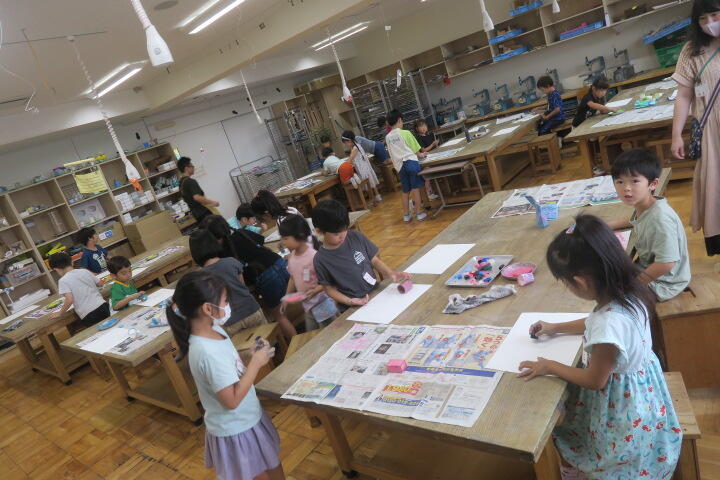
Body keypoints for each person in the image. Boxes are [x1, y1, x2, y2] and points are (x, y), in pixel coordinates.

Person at [518, 214, 681, 478]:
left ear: (580, 281)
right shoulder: (630, 291)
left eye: (565, 282)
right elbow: (595, 323)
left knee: (563, 423)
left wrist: (550, 366)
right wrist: (555, 327)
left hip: (622, 407)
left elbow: (594, 380)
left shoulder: (608, 324)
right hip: (644, 390)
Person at [166, 271, 284, 480]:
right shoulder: (207, 352)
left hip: (248, 418)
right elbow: (231, 400)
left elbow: (229, 362)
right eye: (225, 301)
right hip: (236, 429)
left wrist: (248, 355)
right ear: (208, 308)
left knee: (273, 465)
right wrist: (256, 364)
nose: (228, 305)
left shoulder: (215, 330)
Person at [607, 149, 691, 301]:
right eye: (620, 181)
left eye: (634, 181)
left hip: (664, 283)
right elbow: (634, 219)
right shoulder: (645, 206)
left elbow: (666, 263)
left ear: (653, 184)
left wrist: (634, 284)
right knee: (608, 272)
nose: (626, 188)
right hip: (648, 268)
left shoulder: (660, 219)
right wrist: (606, 226)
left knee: (612, 297)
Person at [671, 1, 720, 256]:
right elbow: (683, 96)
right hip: (711, 131)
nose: (710, 23)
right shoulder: (691, 51)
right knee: (715, 184)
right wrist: (676, 135)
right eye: (702, 19)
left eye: (715, 14)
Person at [202, 215, 297, 340]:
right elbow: (260, 240)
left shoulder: (223, 253)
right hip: (280, 263)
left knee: (279, 316)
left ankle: (296, 343)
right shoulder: (240, 232)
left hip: (267, 276)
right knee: (296, 300)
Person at [311, 200, 411, 309]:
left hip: (375, 293)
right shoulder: (321, 259)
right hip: (352, 306)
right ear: (319, 231)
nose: (342, 235)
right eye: (336, 234)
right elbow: (329, 289)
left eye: (345, 229)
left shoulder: (355, 237)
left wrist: (390, 273)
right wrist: (350, 301)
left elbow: (374, 260)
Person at [189, 229, 267, 334]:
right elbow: (243, 286)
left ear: (195, 253)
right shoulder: (231, 261)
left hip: (229, 322)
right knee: (265, 337)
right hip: (251, 310)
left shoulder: (200, 277)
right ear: (214, 244)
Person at [279, 214, 337, 331]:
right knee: (312, 335)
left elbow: (329, 279)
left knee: (330, 333)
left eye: (286, 238)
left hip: (324, 304)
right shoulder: (292, 257)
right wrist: (286, 298)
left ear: (300, 236)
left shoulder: (314, 256)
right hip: (308, 307)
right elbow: (293, 278)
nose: (283, 242)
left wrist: (316, 290)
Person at [385, 110, 428, 222]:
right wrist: (422, 155)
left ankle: (406, 215)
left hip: (400, 166)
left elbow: (391, 154)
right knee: (415, 189)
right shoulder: (406, 133)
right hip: (411, 162)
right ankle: (419, 213)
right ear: (400, 120)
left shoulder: (388, 137)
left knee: (405, 191)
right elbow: (416, 150)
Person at [49, 252, 110, 327]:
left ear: (56, 269)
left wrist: (60, 313)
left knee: (99, 331)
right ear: (72, 262)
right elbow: (100, 284)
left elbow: (69, 300)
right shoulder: (84, 271)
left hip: (88, 313)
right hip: (102, 305)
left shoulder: (63, 281)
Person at [341, 130, 382, 203]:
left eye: (345, 143)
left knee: (368, 184)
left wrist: (343, 163)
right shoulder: (357, 145)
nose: (345, 145)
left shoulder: (355, 148)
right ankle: (377, 196)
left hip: (362, 169)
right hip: (365, 167)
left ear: (349, 141)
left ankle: (372, 199)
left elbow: (349, 160)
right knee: (371, 182)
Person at [178, 156, 219, 224]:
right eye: (192, 166)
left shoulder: (181, 183)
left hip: (196, 215)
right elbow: (197, 197)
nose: (193, 168)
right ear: (186, 168)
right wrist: (213, 202)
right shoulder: (190, 181)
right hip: (204, 213)